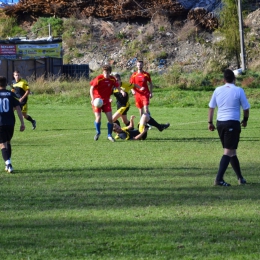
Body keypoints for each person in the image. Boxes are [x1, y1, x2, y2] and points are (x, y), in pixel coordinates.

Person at [208, 69, 250, 186]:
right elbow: (246, 108)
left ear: (224, 79)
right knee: (228, 151)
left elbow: (211, 107)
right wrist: (245, 120)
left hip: (220, 123)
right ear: (234, 79)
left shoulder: (217, 90)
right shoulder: (239, 90)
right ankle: (218, 179)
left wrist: (210, 122)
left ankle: (240, 178)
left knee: (232, 151)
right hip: (232, 123)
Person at [129, 59, 170, 132]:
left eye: (140, 65)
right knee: (141, 112)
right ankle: (142, 124)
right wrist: (132, 90)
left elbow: (150, 84)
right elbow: (131, 84)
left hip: (145, 94)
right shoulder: (134, 75)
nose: (139, 66)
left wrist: (151, 92)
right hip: (137, 95)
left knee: (146, 110)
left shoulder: (146, 74)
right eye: (138, 65)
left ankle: (148, 124)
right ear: (136, 65)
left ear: (142, 65)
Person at [90, 65, 126, 142]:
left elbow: (117, 86)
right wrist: (93, 99)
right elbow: (91, 88)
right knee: (98, 118)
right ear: (103, 72)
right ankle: (98, 132)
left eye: (107, 73)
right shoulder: (99, 78)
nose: (106, 74)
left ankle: (109, 135)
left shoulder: (112, 79)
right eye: (104, 72)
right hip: (97, 101)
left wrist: (122, 91)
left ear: (110, 72)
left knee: (110, 119)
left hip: (106, 101)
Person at [0, 76, 25, 173]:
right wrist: (22, 123)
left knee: (2, 145)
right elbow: (18, 107)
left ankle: (8, 164)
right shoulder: (11, 94)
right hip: (10, 122)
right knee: (8, 142)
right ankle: (7, 164)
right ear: (6, 84)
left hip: (0, 123)